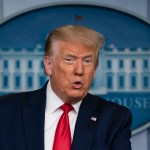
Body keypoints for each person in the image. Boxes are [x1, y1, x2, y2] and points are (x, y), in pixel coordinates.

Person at [0, 25, 132, 150]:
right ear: (49, 65)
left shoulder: (115, 118)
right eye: (70, 59)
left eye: (87, 61)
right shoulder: (6, 110)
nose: (79, 70)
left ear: (95, 68)